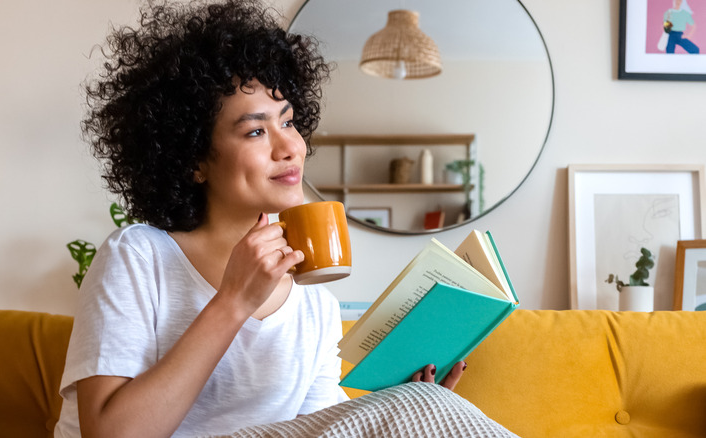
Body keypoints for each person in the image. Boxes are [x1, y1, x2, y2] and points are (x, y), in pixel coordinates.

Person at [54, 1, 465, 437]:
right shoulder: (137, 257)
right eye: (255, 130)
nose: (289, 147)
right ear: (193, 159)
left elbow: (318, 430)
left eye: (287, 122)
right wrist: (233, 302)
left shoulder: (315, 304)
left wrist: (401, 404)